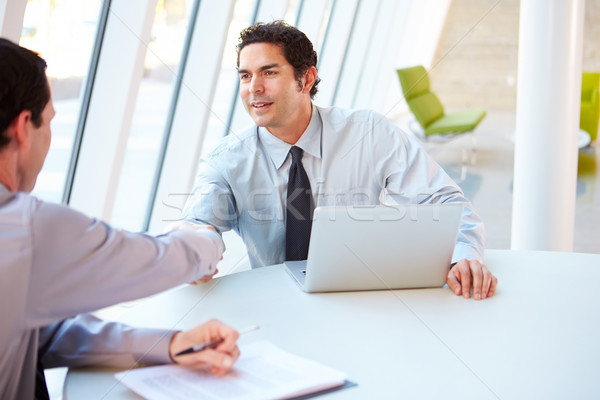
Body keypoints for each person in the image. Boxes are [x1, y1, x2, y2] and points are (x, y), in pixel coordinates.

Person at [182, 21, 498, 300]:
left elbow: (445, 201)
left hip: (362, 299)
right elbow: (198, 225)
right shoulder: (226, 160)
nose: (254, 88)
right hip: (275, 307)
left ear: (306, 80)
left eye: (269, 72)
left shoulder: (369, 133)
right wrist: (195, 252)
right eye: (245, 76)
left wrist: (464, 256)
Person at [0, 38, 239, 400]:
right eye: (48, 121)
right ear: (22, 128)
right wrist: (206, 234)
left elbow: (32, 336)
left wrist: (170, 344)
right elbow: (167, 259)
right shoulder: (23, 227)